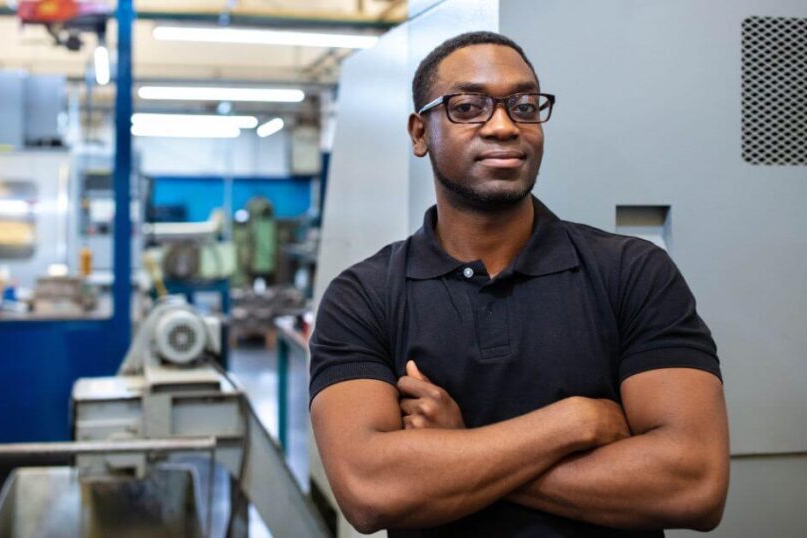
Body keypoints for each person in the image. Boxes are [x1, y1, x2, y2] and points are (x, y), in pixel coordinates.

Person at [308, 31, 729, 537]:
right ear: (420, 133)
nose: (504, 126)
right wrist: (574, 423)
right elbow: (370, 491)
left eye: (524, 106)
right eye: (469, 107)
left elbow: (693, 484)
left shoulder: (632, 273)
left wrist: (459, 448)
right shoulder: (365, 296)